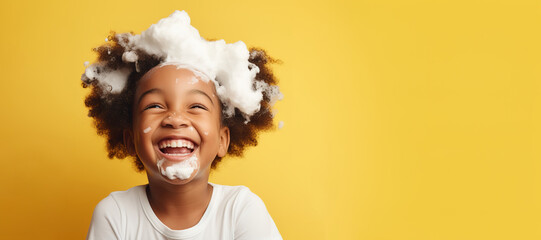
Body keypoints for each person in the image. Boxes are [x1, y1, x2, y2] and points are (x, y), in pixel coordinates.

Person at [82, 10, 283, 240]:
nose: (175, 119)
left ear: (222, 140)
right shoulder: (116, 214)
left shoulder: (240, 210)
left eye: (196, 106)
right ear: (130, 140)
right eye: (155, 106)